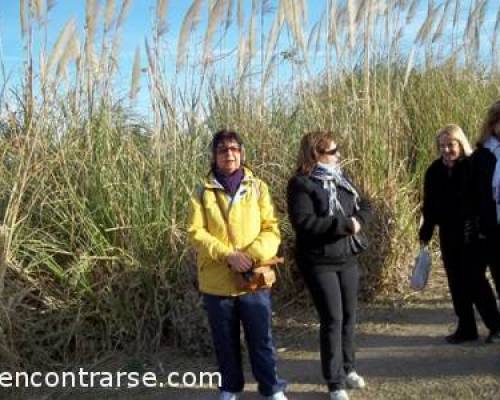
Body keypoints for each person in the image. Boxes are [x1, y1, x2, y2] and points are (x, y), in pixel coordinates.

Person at [187, 130, 287, 400]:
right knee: (224, 341)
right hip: (217, 280)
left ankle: (271, 388)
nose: (229, 154)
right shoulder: (202, 191)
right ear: (214, 156)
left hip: (253, 278)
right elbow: (196, 232)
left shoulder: (258, 187)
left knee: (261, 339)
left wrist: (251, 255)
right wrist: (227, 255)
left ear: (241, 153)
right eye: (222, 150)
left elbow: (271, 229)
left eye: (234, 149)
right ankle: (230, 387)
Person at [287, 131, 371, 400]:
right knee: (332, 319)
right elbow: (305, 223)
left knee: (349, 315)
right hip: (319, 261)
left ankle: (348, 368)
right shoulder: (301, 184)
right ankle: (334, 382)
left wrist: (359, 219)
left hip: (346, 257)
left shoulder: (341, 178)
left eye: (337, 150)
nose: (338, 155)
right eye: (333, 152)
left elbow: (366, 204)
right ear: (315, 154)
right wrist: (344, 225)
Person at [419, 124, 500, 344]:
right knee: (455, 282)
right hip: (448, 233)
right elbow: (430, 204)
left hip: (472, 233)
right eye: (442, 146)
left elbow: (484, 200)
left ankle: (495, 326)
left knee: (475, 281)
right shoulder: (435, 170)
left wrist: (483, 227)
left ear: (460, 144)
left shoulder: (473, 166)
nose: (446, 150)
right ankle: (466, 327)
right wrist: (426, 230)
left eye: (451, 145)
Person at [470, 100, 500, 342]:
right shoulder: (481, 156)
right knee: (475, 277)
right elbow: (472, 194)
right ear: (492, 125)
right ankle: (495, 324)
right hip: (488, 229)